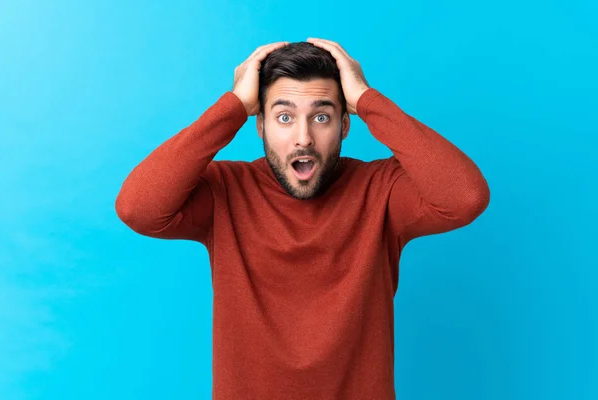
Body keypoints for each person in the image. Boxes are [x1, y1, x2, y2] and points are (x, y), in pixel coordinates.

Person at [115, 38, 490, 400]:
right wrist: (231, 107)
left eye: (322, 117)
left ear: (345, 125)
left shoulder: (381, 190)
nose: (303, 138)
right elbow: (139, 208)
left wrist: (367, 100)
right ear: (259, 125)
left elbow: (465, 198)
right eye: (284, 117)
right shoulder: (225, 190)